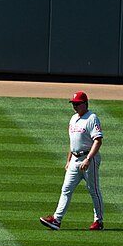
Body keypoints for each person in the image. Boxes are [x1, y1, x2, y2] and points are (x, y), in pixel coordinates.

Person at [39, 92, 104, 231]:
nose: (74, 106)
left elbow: (98, 141)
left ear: (85, 104)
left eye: (77, 103)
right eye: (73, 103)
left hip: (88, 159)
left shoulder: (92, 118)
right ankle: (57, 220)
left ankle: (98, 222)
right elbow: (73, 142)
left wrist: (88, 159)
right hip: (75, 159)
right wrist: (68, 160)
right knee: (66, 189)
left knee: (93, 190)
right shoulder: (73, 118)